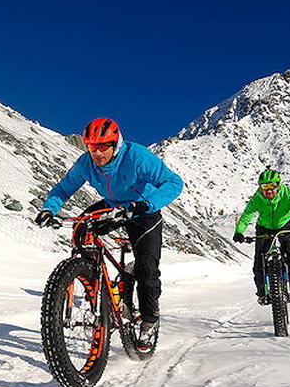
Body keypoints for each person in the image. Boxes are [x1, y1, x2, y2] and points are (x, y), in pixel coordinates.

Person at [35, 118, 183, 349]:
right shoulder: (86, 163)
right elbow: (64, 188)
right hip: (112, 204)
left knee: (147, 269)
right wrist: (48, 209)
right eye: (93, 147)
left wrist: (147, 204)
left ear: (116, 143)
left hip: (142, 208)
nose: (98, 153)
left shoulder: (137, 156)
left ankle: (149, 322)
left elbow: (174, 182)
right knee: (80, 227)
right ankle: (90, 275)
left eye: (104, 146)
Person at [232, 168, 290, 304]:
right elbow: (246, 215)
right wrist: (239, 232)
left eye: (272, 186)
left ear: (278, 185)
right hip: (264, 227)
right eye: (265, 187)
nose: (269, 190)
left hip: (285, 225)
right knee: (259, 260)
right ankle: (262, 293)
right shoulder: (257, 198)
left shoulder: (287, 194)